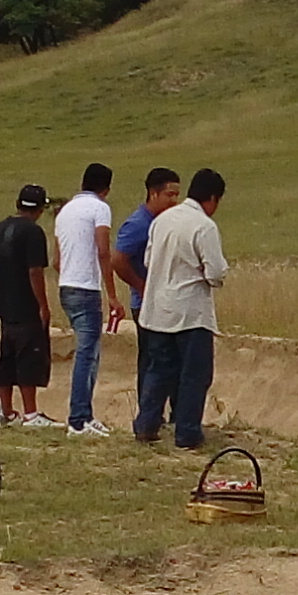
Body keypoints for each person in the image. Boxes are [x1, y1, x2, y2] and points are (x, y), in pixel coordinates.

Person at [136, 170, 231, 451]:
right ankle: (187, 432)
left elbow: (148, 259)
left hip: (158, 310)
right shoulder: (204, 226)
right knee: (194, 374)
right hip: (190, 313)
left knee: (159, 370)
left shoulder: (161, 220)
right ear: (213, 198)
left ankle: (146, 425)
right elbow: (215, 273)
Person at [117, 167, 183, 434]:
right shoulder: (138, 224)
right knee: (153, 361)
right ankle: (148, 418)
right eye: (169, 194)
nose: (174, 200)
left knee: (168, 360)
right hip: (144, 304)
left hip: (164, 303)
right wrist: (142, 287)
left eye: (177, 195)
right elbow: (117, 260)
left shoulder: (163, 223)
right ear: (153, 193)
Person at [54, 165, 119, 434]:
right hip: (86, 288)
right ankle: (79, 418)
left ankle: (84, 414)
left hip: (66, 286)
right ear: (106, 188)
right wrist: (112, 294)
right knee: (87, 353)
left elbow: (56, 261)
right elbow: (103, 250)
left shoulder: (65, 211)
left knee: (88, 351)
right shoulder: (99, 209)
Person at [0, 185, 56, 427]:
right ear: (39, 208)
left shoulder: (2, 227)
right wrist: (43, 305)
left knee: (7, 360)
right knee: (29, 358)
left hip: (6, 306)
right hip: (26, 307)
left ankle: (7, 411)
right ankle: (31, 413)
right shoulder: (33, 232)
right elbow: (35, 271)